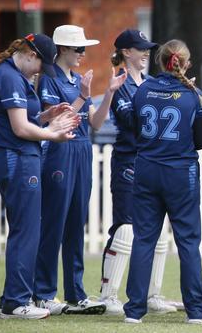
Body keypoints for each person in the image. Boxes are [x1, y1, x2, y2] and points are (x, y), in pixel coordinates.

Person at [0, 33, 80, 319]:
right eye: (40, 63)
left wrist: (47, 116)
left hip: (18, 157)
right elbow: (19, 129)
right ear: (30, 54)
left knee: (24, 229)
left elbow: (26, 121)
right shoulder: (11, 77)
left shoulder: (13, 75)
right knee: (27, 230)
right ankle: (15, 302)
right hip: (18, 158)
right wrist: (52, 133)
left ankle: (13, 297)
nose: (40, 71)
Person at [33, 25, 126, 315]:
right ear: (62, 49)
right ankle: (44, 292)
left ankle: (76, 292)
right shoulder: (50, 79)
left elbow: (95, 124)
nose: (83, 54)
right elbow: (57, 122)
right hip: (61, 151)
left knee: (76, 223)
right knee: (55, 222)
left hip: (83, 148)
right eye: (78, 49)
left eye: (84, 49)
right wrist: (83, 97)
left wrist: (108, 94)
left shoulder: (76, 80)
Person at [123, 39, 202, 324]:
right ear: (185, 63)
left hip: (147, 169)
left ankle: (134, 311)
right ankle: (195, 312)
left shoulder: (144, 89)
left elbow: (136, 129)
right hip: (180, 173)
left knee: (144, 239)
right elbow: (200, 142)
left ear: (160, 61)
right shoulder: (194, 95)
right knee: (187, 242)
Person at [97, 29, 178, 315]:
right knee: (126, 228)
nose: (146, 53)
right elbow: (131, 121)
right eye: (140, 48)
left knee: (159, 233)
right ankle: (108, 296)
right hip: (129, 162)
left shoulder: (152, 82)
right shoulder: (120, 84)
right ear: (126, 52)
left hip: (152, 162)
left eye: (147, 49)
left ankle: (152, 296)